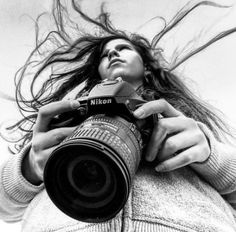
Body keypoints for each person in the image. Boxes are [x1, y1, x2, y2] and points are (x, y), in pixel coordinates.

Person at [1, 0, 236, 231]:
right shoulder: (69, 115)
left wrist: (212, 156)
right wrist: (29, 166)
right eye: (105, 54)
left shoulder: (183, 118)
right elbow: (4, 208)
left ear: (146, 66)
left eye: (124, 48)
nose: (113, 52)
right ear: (98, 72)